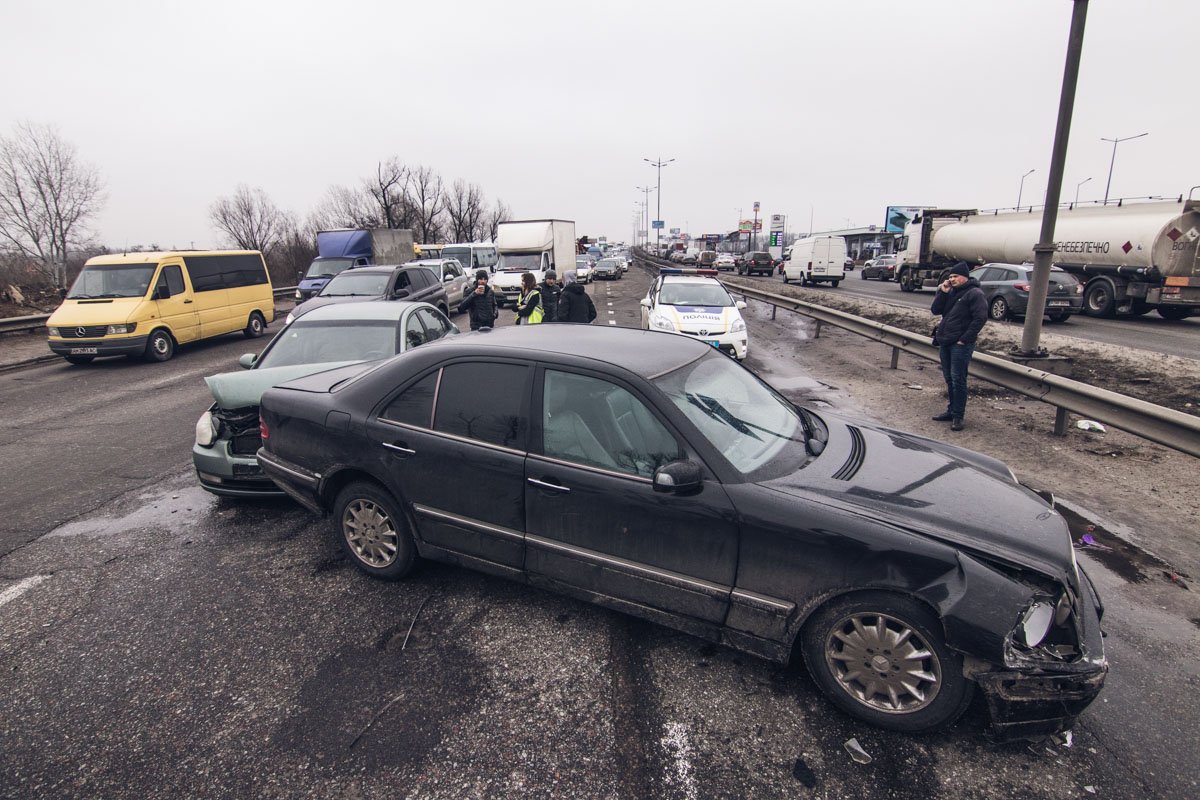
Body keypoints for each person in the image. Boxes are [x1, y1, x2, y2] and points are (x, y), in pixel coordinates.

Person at [931, 261, 987, 431]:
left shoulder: (974, 293)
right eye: (950, 277)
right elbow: (935, 310)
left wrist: (964, 339)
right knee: (949, 378)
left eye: (955, 276)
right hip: (946, 341)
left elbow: (981, 317)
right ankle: (951, 410)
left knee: (958, 379)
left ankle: (958, 416)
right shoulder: (951, 292)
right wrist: (942, 291)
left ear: (965, 277)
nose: (952, 279)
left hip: (960, 344)